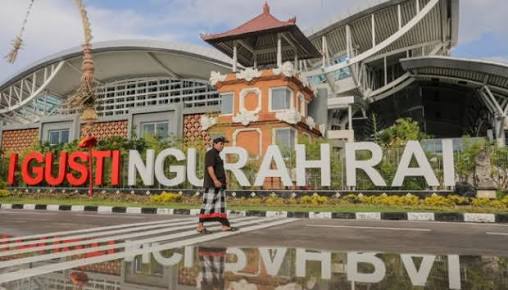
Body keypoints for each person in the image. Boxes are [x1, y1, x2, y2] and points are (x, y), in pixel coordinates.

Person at [196, 136, 237, 233]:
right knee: (208, 204)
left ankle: (225, 225)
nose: (222, 146)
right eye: (220, 144)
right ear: (214, 144)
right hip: (212, 184)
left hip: (220, 185)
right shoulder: (210, 153)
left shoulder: (217, 155)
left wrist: (224, 181)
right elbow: (210, 168)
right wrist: (215, 180)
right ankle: (200, 226)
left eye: (223, 144)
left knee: (220, 205)